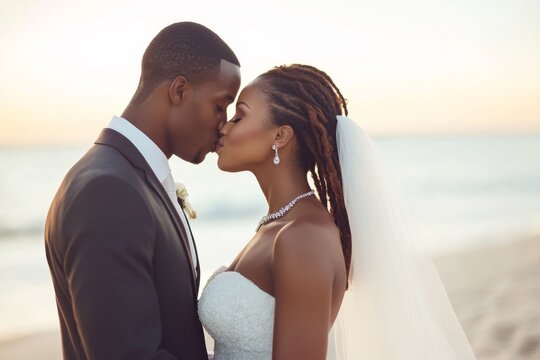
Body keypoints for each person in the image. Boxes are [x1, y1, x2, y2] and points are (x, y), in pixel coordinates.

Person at [198, 64, 477, 360]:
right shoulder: (278, 225)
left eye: (239, 116)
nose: (225, 127)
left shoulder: (304, 236)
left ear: (280, 136)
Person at [44, 21, 241, 359]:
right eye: (220, 106)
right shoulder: (107, 191)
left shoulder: (127, 178)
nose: (223, 125)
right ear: (179, 91)